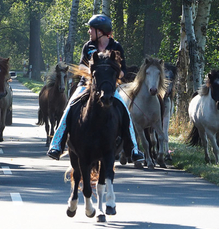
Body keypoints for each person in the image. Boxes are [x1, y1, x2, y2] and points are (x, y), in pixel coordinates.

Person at [47, 14, 145, 164]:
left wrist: (110, 73)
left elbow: (123, 71)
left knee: (125, 111)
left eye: (91, 29)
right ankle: (57, 144)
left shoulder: (116, 47)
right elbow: (81, 66)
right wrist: (94, 73)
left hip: (109, 87)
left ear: (100, 31)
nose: (89, 32)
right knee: (69, 107)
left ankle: (132, 148)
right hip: (86, 85)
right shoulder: (88, 46)